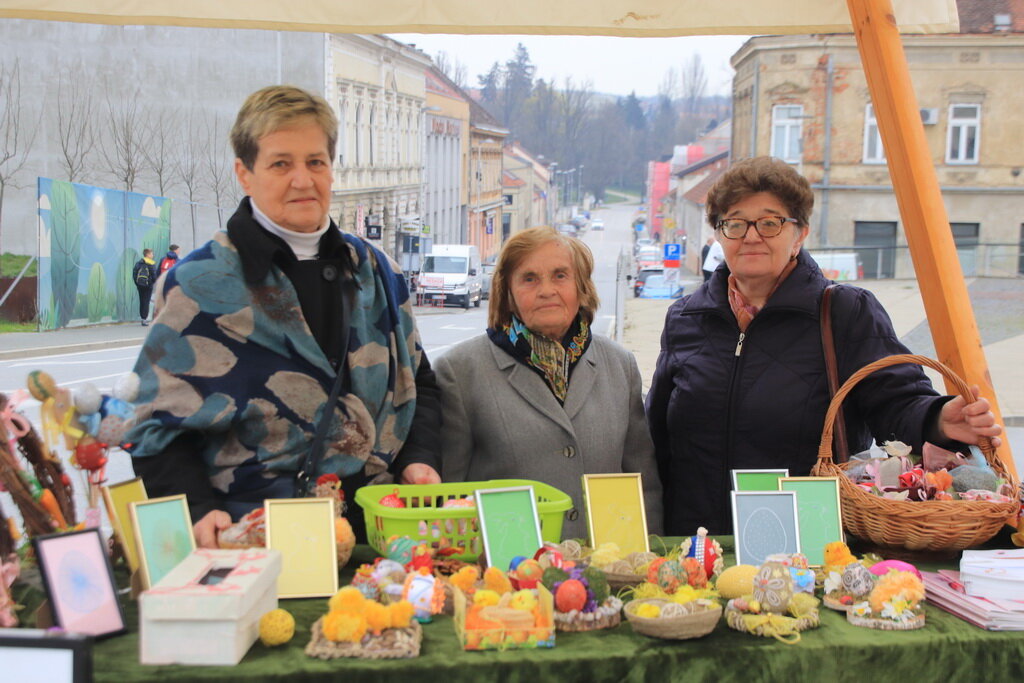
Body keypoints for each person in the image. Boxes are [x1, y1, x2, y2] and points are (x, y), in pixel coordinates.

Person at [126, 85, 441, 548]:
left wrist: (420, 457)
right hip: (260, 540)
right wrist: (196, 508)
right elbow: (154, 426)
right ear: (244, 173)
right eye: (280, 164)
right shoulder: (199, 285)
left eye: (316, 162)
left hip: (379, 536)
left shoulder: (377, 271)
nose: (302, 179)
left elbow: (420, 382)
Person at [646, 156, 1002, 536]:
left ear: (800, 234)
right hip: (698, 544)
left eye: (770, 222)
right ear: (719, 235)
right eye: (735, 223)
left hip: (808, 542)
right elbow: (656, 436)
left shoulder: (845, 312)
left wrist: (938, 418)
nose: (751, 236)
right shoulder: (686, 318)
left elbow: (896, 401)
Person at [435, 226, 663, 540]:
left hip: (605, 562)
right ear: (508, 294)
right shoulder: (460, 371)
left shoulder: (620, 365)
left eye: (560, 276)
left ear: (582, 288)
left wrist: (649, 554)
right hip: (510, 565)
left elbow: (643, 484)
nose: (546, 290)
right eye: (529, 278)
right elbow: (450, 496)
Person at [132, 248, 157, 326]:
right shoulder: (151, 263)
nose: (152, 255)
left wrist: (137, 283)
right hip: (148, 285)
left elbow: (134, 273)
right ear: (148, 254)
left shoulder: (139, 263)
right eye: (151, 254)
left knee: (142, 301)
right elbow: (154, 276)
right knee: (146, 301)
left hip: (140, 285)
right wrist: (151, 283)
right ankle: (144, 319)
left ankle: (142, 317)